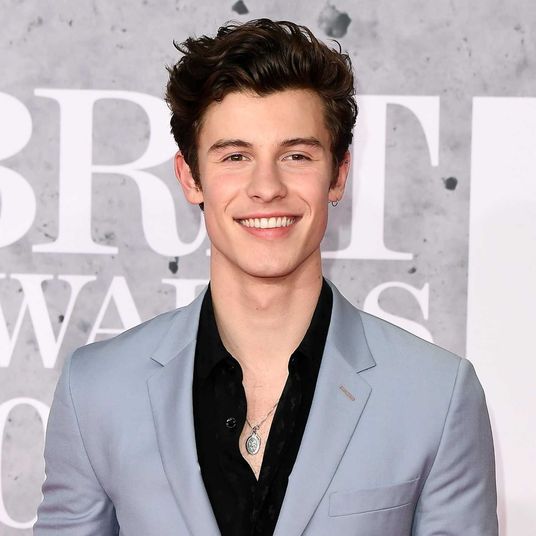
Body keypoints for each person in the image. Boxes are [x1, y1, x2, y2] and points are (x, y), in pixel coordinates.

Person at [34, 18, 498, 536]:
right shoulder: (97, 390)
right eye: (236, 156)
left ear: (338, 174)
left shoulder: (436, 396)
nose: (267, 187)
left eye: (296, 155)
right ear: (190, 177)